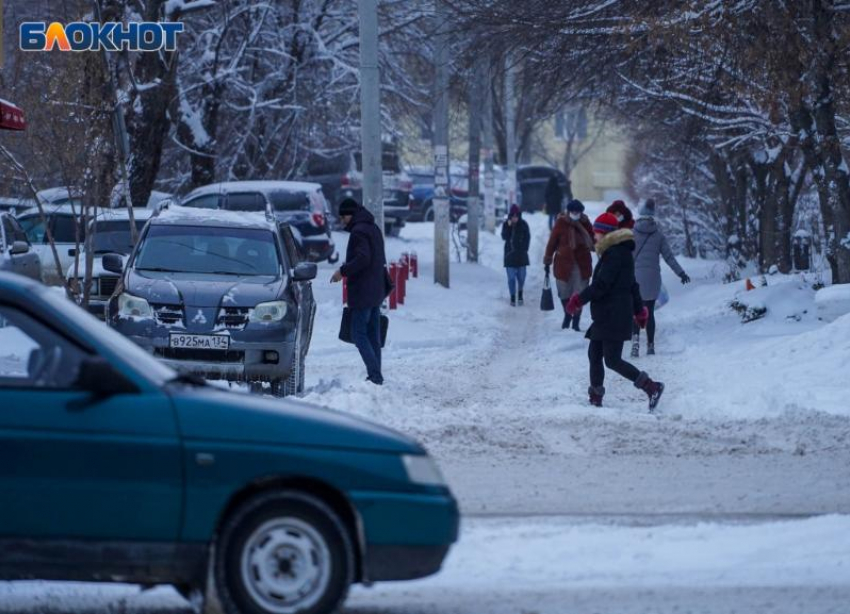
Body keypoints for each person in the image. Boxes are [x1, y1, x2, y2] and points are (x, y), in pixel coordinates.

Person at [566, 212, 665, 410]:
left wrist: (579, 299)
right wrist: (639, 311)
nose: (594, 236)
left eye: (597, 232)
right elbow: (633, 285)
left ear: (606, 233)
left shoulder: (616, 255)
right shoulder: (615, 253)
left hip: (614, 315)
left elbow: (602, 285)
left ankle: (651, 386)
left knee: (612, 360)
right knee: (594, 354)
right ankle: (596, 396)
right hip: (607, 315)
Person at [330, 198, 387, 385]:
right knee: (372, 334)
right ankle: (376, 375)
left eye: (343, 217)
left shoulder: (359, 232)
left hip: (363, 291)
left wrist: (342, 271)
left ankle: (375, 375)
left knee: (358, 333)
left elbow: (363, 258)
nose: (342, 221)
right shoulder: (373, 228)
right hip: (376, 289)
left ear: (350, 214)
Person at [630, 199, 691, 357]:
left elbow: (625, 257)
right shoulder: (658, 235)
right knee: (649, 311)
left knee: (635, 311)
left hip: (635, 278)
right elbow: (669, 257)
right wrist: (681, 273)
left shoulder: (631, 233)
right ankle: (650, 346)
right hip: (652, 278)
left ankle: (635, 343)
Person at [543, 199, 593, 331]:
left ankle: (575, 322)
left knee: (579, 294)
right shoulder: (561, 222)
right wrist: (548, 258)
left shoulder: (585, 222)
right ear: (568, 211)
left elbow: (593, 239)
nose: (575, 214)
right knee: (564, 293)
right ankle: (567, 315)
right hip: (563, 264)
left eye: (578, 212)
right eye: (573, 211)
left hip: (582, 264)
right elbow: (552, 241)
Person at [501, 204, 530, 306]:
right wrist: (509, 227)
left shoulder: (524, 225)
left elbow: (527, 237)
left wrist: (525, 249)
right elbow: (504, 237)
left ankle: (520, 293)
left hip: (521, 256)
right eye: (512, 216)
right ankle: (513, 297)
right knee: (511, 278)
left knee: (521, 277)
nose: (514, 218)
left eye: (516, 216)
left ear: (519, 215)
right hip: (509, 255)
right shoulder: (506, 224)